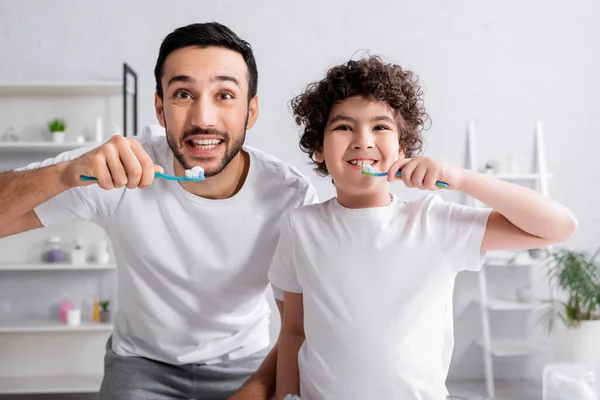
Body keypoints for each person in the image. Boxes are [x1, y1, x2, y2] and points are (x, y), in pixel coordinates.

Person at [0, 22, 318, 400]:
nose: (204, 118)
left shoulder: (289, 195)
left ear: (250, 112)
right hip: (141, 365)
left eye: (224, 95)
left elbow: (301, 328)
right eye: (183, 93)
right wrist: (65, 173)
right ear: (160, 108)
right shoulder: (121, 167)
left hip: (247, 364)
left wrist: (250, 393)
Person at [268, 55, 578, 400]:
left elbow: (558, 226)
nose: (363, 140)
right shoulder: (300, 227)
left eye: (380, 127)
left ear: (402, 148)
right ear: (318, 149)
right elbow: (294, 331)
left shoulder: (433, 221)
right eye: (343, 127)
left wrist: (459, 179)